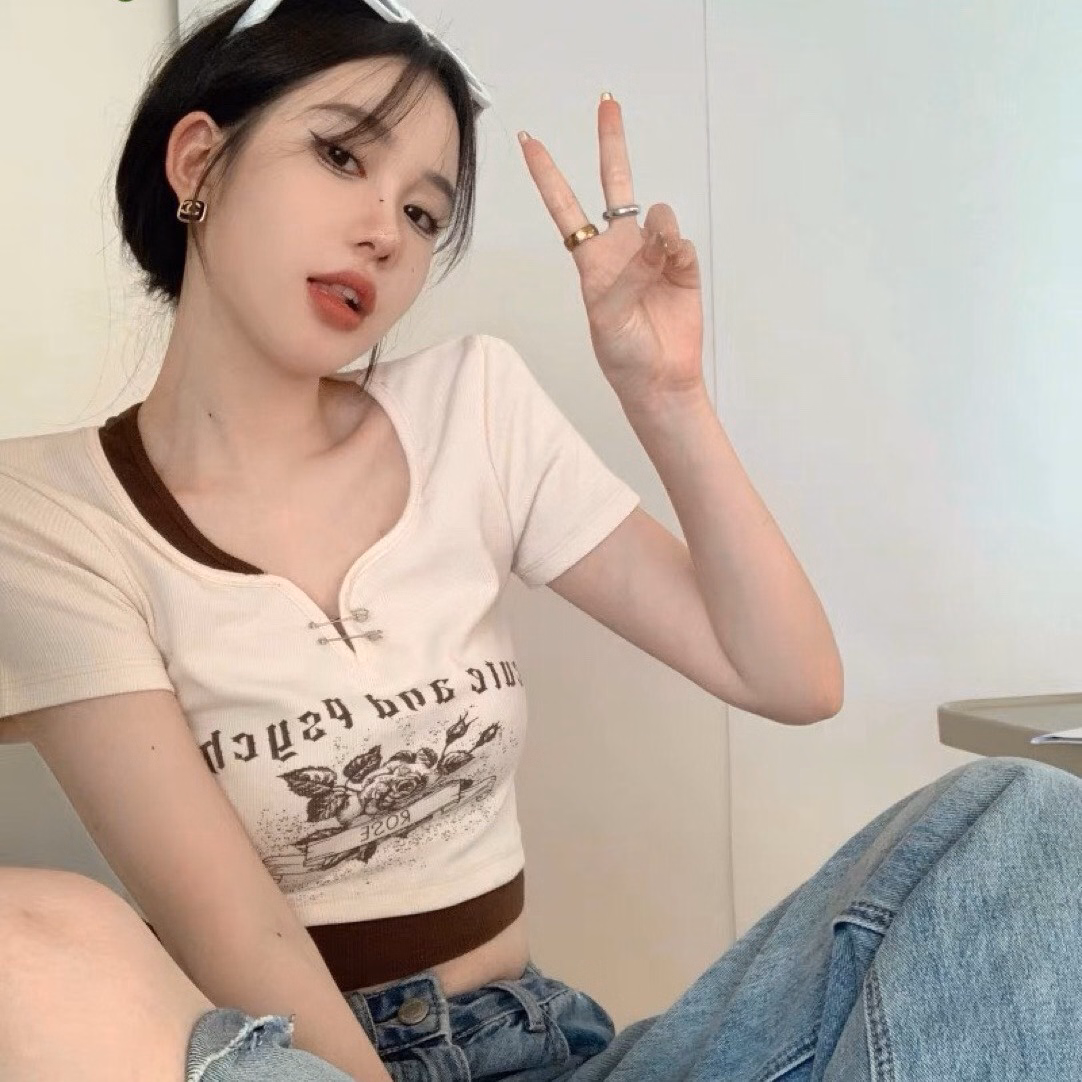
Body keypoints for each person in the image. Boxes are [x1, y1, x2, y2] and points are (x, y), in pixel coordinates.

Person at [1, 1, 1080, 1080]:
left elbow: (790, 677)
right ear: (198, 160)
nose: (384, 232)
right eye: (340, 156)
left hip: (533, 1046)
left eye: (423, 213)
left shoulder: (472, 407)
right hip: (289, 1058)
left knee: (1025, 817)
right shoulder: (47, 512)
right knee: (27, 940)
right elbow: (233, 927)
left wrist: (666, 394)